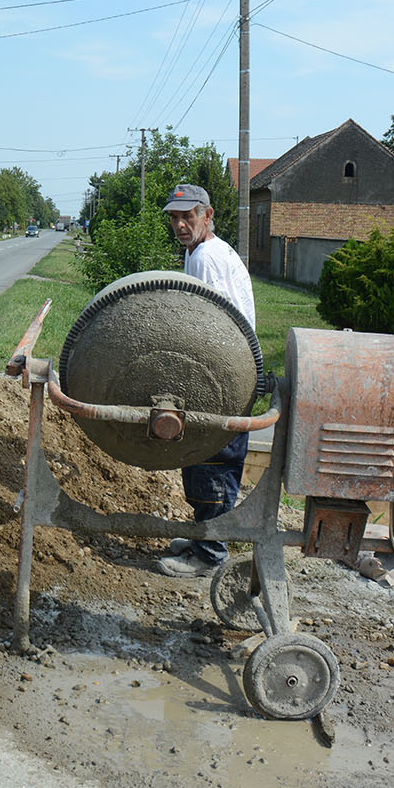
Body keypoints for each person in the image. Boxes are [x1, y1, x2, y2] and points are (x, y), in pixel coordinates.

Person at [156, 183, 256, 579]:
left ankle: (210, 554)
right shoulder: (199, 251)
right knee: (201, 458)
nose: (181, 224)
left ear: (207, 215)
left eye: (188, 216)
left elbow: (209, 326)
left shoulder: (206, 260)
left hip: (226, 374)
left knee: (215, 461)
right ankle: (204, 536)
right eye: (175, 218)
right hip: (226, 367)